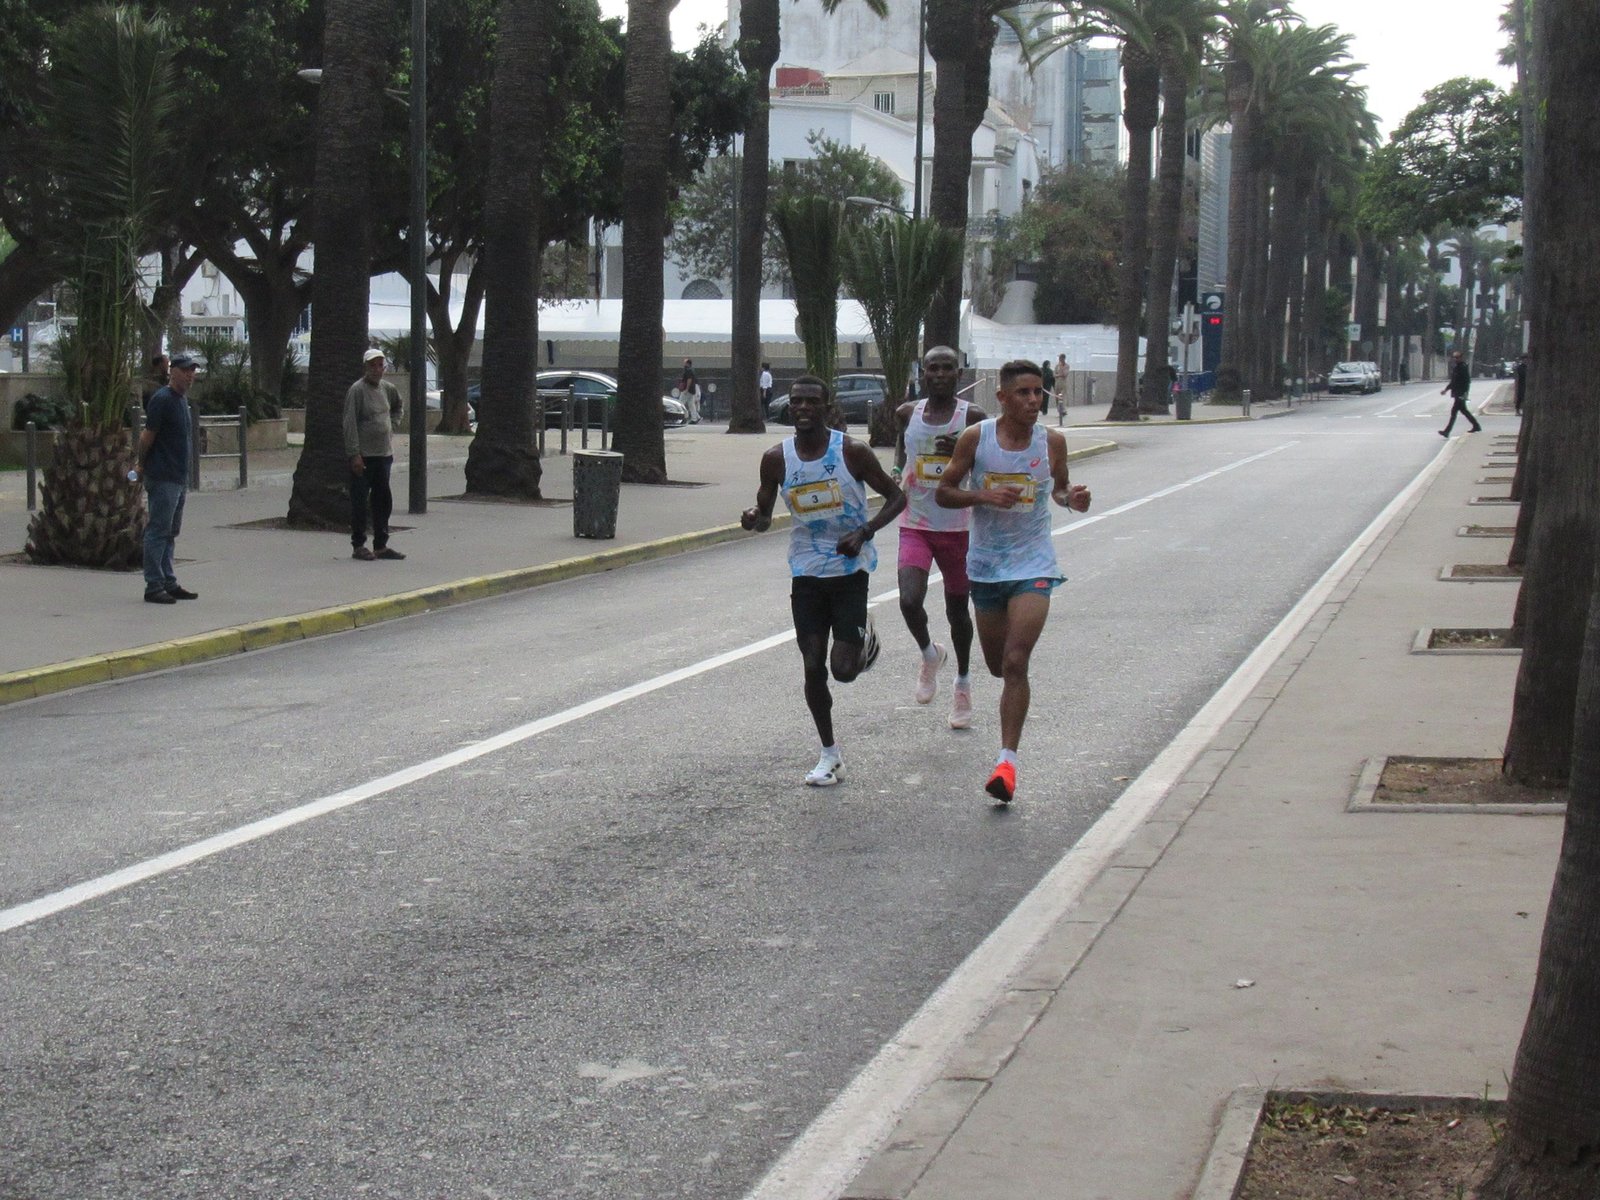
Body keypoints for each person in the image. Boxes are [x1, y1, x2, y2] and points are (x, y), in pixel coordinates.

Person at [936, 359, 1092, 803]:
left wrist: (1072, 498)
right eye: (1023, 393)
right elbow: (944, 491)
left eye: (1038, 392)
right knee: (995, 664)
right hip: (986, 566)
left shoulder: (1052, 441)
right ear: (1001, 398)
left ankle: (1007, 764)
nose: (1033, 400)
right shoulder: (976, 439)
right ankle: (1006, 749)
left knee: (1016, 662)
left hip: (1033, 564)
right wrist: (983, 494)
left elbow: (1059, 489)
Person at [741, 376, 906, 786]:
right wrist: (753, 520)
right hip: (806, 573)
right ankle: (829, 755)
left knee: (844, 670)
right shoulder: (775, 459)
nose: (801, 408)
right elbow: (763, 516)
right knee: (813, 665)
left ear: (826, 406)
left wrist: (864, 531)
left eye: (811, 402)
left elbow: (897, 497)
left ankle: (863, 640)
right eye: (796, 402)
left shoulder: (852, 452)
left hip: (850, 572)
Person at [893, 345, 985, 728]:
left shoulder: (974, 419)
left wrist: (964, 454)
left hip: (958, 527)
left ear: (959, 374)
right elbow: (902, 454)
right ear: (923, 373)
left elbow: (988, 466)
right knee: (909, 600)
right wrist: (897, 476)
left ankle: (962, 681)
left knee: (956, 610)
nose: (941, 375)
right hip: (915, 521)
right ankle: (930, 654)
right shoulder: (907, 413)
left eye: (948, 368)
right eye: (934, 368)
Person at [135, 354, 200, 604]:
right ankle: (153, 584)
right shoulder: (162, 399)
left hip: (178, 477)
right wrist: (141, 466)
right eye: (185, 370)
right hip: (163, 476)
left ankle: (168, 581)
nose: (190, 375)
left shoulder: (181, 400)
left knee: (170, 531)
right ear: (172, 371)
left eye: (192, 371)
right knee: (158, 530)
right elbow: (147, 436)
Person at [344, 347, 406, 561]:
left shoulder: (387, 389)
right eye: (373, 365)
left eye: (380, 365)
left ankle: (381, 544)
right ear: (366, 367)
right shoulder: (357, 391)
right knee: (360, 501)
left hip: (384, 454)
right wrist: (354, 454)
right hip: (364, 456)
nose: (377, 369)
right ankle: (359, 544)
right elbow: (349, 423)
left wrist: (392, 425)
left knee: (382, 500)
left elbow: (398, 406)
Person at [1438, 350, 1481, 437]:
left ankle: (1447, 431)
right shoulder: (1457, 367)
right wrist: (1446, 390)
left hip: (1460, 393)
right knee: (1464, 411)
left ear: (1461, 358)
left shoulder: (1462, 367)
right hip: (1457, 393)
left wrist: (1465, 394)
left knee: (1454, 412)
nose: (1455, 359)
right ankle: (1476, 426)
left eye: (1457, 357)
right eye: (1454, 357)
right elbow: (1453, 381)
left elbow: (1467, 381)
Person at [679, 358, 701, 424]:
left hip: (687, 390)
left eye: (685, 362)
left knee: (680, 403)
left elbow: (689, 380)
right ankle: (694, 418)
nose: (684, 363)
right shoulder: (692, 370)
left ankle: (682, 418)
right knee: (691, 404)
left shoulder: (688, 370)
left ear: (688, 363)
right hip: (692, 390)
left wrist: (686, 389)